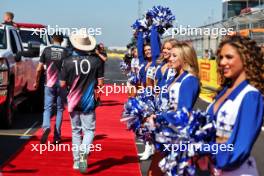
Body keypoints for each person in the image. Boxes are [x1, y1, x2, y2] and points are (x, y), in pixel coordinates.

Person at [203, 35, 264, 175]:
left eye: (229, 57)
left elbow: (239, 148)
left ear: (245, 58)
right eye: (221, 57)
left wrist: (204, 153)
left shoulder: (251, 96)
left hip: (237, 170)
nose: (222, 62)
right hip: (214, 168)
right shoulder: (224, 91)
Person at [147, 42, 200, 176]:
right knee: (156, 170)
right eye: (170, 55)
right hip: (166, 129)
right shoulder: (176, 77)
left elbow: (183, 113)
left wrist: (159, 118)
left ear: (185, 58)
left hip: (175, 135)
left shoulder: (189, 80)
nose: (170, 58)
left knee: (156, 171)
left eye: (174, 56)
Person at [60, 31, 104, 173]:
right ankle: (84, 152)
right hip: (88, 101)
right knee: (89, 130)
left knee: (75, 131)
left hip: (73, 100)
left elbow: (61, 84)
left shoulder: (67, 61)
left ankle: (76, 161)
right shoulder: (97, 61)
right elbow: (101, 83)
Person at [34, 32, 70, 144]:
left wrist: (36, 81)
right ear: (62, 40)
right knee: (59, 109)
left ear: (52, 39)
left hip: (49, 83)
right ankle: (57, 137)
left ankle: (46, 127)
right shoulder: (67, 52)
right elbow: (70, 70)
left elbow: (39, 69)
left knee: (47, 108)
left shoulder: (46, 50)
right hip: (62, 84)